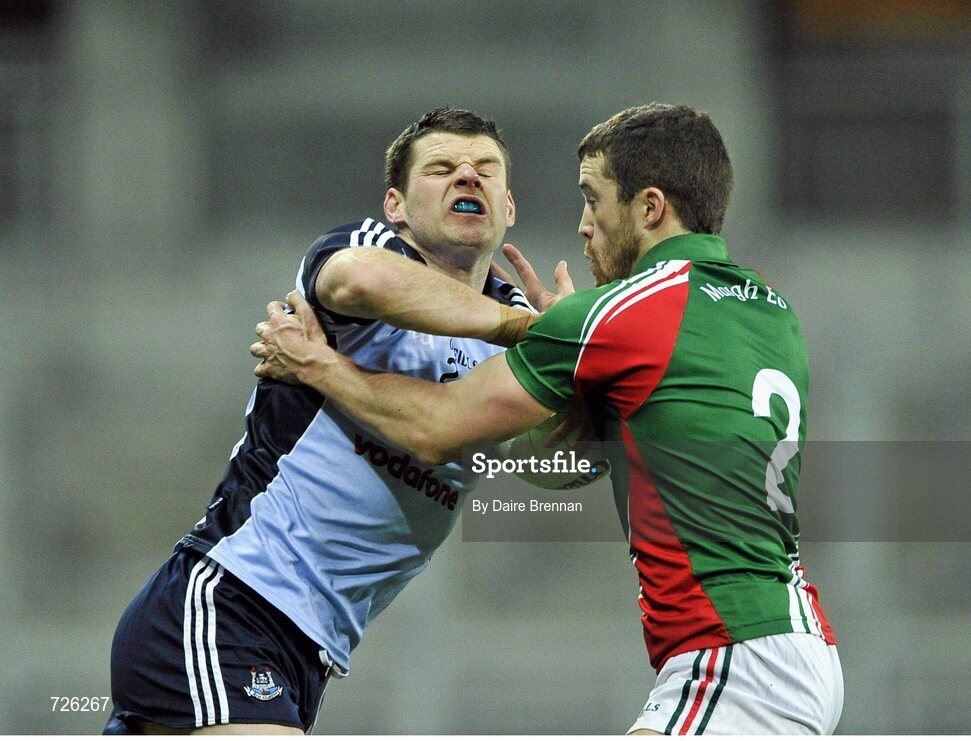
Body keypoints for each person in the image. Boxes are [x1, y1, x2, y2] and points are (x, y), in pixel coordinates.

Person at [251, 103, 845, 734]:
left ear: (648, 209)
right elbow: (568, 457)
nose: (584, 226)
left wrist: (319, 366)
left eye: (594, 199)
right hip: (799, 641)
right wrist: (577, 365)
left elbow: (435, 428)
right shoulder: (768, 307)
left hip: (731, 655)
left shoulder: (619, 314)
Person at [103, 106, 549, 735]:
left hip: (305, 649)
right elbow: (359, 281)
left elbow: (487, 437)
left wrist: (576, 369)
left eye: (486, 171)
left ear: (508, 210)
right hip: (228, 601)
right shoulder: (369, 249)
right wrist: (537, 333)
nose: (467, 178)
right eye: (442, 168)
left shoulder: (522, 324)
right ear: (395, 204)